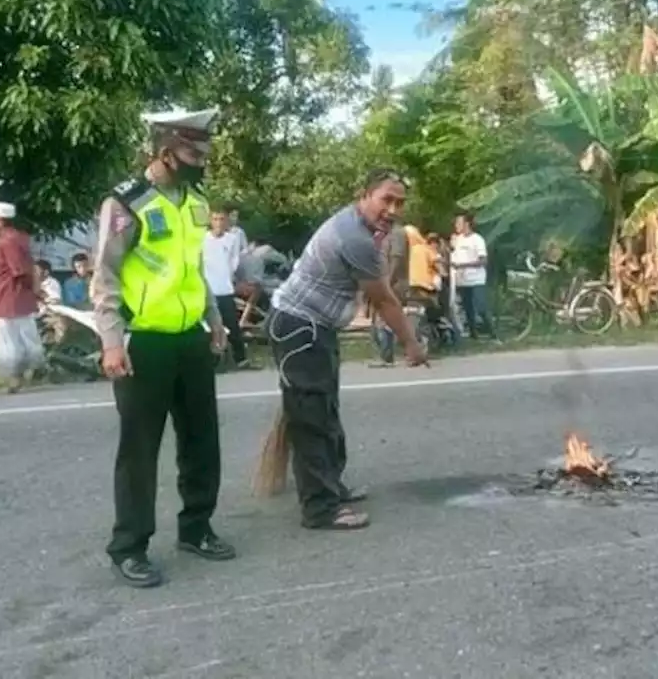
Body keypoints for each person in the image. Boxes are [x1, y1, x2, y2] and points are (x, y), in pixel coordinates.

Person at [90, 108, 233, 589]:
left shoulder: (196, 202)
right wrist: (111, 341)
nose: (201, 162)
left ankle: (197, 528)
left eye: (204, 153)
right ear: (165, 150)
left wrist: (213, 321)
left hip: (189, 336)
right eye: (193, 153)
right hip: (143, 340)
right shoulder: (126, 203)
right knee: (140, 450)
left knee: (201, 440)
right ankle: (129, 547)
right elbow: (105, 276)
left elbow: (194, 270)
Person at [267, 168, 428, 531]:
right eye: (386, 199)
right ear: (365, 195)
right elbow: (384, 300)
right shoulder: (354, 237)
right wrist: (411, 345)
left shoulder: (359, 227)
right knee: (311, 420)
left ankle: (331, 487)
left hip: (312, 328)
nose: (393, 209)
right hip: (300, 328)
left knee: (325, 412)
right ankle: (320, 508)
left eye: (399, 203)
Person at [0, 202, 45, 394]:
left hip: (8, 300)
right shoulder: (19, 239)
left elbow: (19, 271)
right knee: (23, 338)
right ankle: (27, 374)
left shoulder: (7, 243)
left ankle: (14, 379)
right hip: (18, 301)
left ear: (0, 221)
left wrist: (33, 289)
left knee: (7, 341)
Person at [203, 204, 255, 370]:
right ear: (210, 221)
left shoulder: (232, 239)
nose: (218, 222)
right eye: (215, 219)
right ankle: (211, 361)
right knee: (207, 327)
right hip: (207, 289)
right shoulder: (202, 239)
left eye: (222, 219)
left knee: (232, 325)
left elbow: (235, 261)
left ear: (227, 222)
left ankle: (241, 359)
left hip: (225, 288)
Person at [369, 222, 409, 367]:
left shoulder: (397, 233)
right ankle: (385, 355)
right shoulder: (380, 234)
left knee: (384, 319)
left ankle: (387, 356)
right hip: (381, 281)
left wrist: (387, 282)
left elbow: (397, 259)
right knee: (379, 320)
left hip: (394, 284)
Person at [451, 212, 494, 339]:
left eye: (459, 223)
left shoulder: (477, 239)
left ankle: (492, 333)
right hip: (461, 280)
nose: (456, 226)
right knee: (467, 308)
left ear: (467, 224)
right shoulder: (457, 239)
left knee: (480, 307)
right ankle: (473, 334)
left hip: (476, 279)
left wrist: (463, 265)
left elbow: (483, 261)